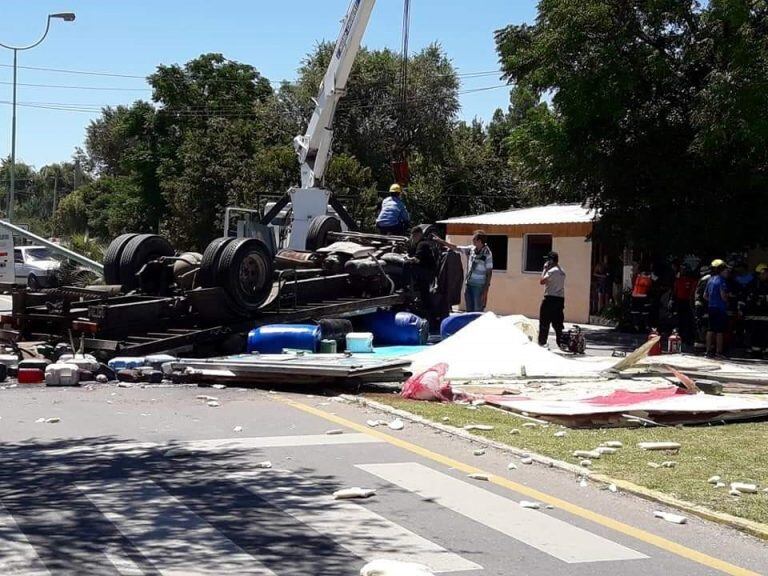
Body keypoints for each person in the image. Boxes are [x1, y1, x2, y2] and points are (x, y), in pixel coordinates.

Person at [433, 230, 493, 312]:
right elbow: (456, 247)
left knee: (477, 310)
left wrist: (485, 290)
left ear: (479, 241)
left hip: (479, 286)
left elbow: (489, 272)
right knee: (469, 310)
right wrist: (441, 241)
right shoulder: (471, 249)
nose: (472, 240)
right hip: (468, 284)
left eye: (474, 239)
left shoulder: (487, 253)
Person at [406, 227, 438, 323]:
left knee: (425, 295)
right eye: (412, 236)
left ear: (420, 234)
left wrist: (407, 259)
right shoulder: (418, 244)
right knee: (425, 295)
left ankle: (431, 318)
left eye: (415, 235)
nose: (413, 238)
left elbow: (417, 259)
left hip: (426, 272)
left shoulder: (422, 244)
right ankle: (430, 317)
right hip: (425, 271)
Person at [538, 251, 566, 348]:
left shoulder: (551, 271)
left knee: (544, 321)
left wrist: (544, 269)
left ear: (551, 260)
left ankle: (542, 342)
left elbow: (541, 281)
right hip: (560, 299)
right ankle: (561, 342)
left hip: (550, 298)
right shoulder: (562, 271)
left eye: (548, 260)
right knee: (558, 322)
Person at [704, 259, 730, 358]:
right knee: (719, 331)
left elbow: (705, 296)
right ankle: (719, 352)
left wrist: (712, 300)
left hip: (711, 307)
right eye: (726, 271)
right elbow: (723, 295)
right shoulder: (722, 281)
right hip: (720, 308)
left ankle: (708, 351)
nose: (727, 273)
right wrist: (727, 301)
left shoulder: (710, 280)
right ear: (722, 271)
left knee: (710, 330)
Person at [745, 263, 768, 358]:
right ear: (759, 274)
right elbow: (746, 298)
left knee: (765, 334)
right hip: (754, 315)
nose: (766, 275)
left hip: (765, 314)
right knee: (755, 333)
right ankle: (755, 351)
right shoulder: (752, 285)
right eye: (764, 273)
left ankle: (764, 351)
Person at [630, 265, 654, 333]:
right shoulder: (648, 278)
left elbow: (633, 283)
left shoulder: (637, 276)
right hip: (643, 297)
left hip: (635, 296)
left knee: (636, 312)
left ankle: (636, 326)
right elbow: (650, 286)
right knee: (644, 312)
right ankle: (645, 326)